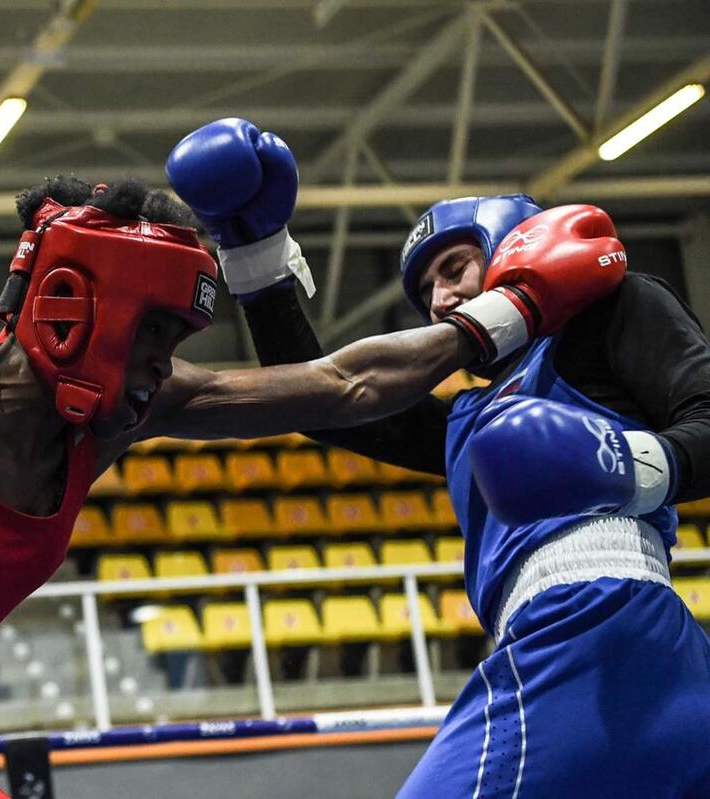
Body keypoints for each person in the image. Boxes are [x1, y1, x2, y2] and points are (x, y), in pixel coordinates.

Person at [0, 174, 621, 798]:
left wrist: (509, 310)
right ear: (74, 303)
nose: (161, 362)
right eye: (152, 330)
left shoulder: (112, 421)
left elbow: (343, 386)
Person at [168, 118, 710, 797]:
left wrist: (623, 464)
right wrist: (256, 256)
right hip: (633, 657)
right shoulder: (471, 422)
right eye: (428, 292)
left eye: (454, 270)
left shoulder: (611, 310)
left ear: (515, 247)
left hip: (593, 626)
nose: (441, 299)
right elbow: (325, 400)